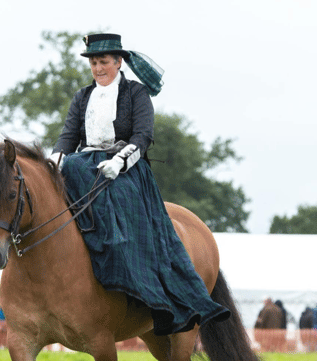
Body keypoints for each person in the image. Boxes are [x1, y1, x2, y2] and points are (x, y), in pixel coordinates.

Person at [50, 33, 229, 336]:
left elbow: (143, 136)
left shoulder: (136, 93)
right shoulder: (82, 96)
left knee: (115, 200)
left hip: (126, 167)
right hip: (85, 163)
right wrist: (53, 161)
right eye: (94, 62)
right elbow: (69, 135)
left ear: (118, 62)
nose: (98, 68)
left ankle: (139, 283)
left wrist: (119, 161)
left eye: (103, 61)